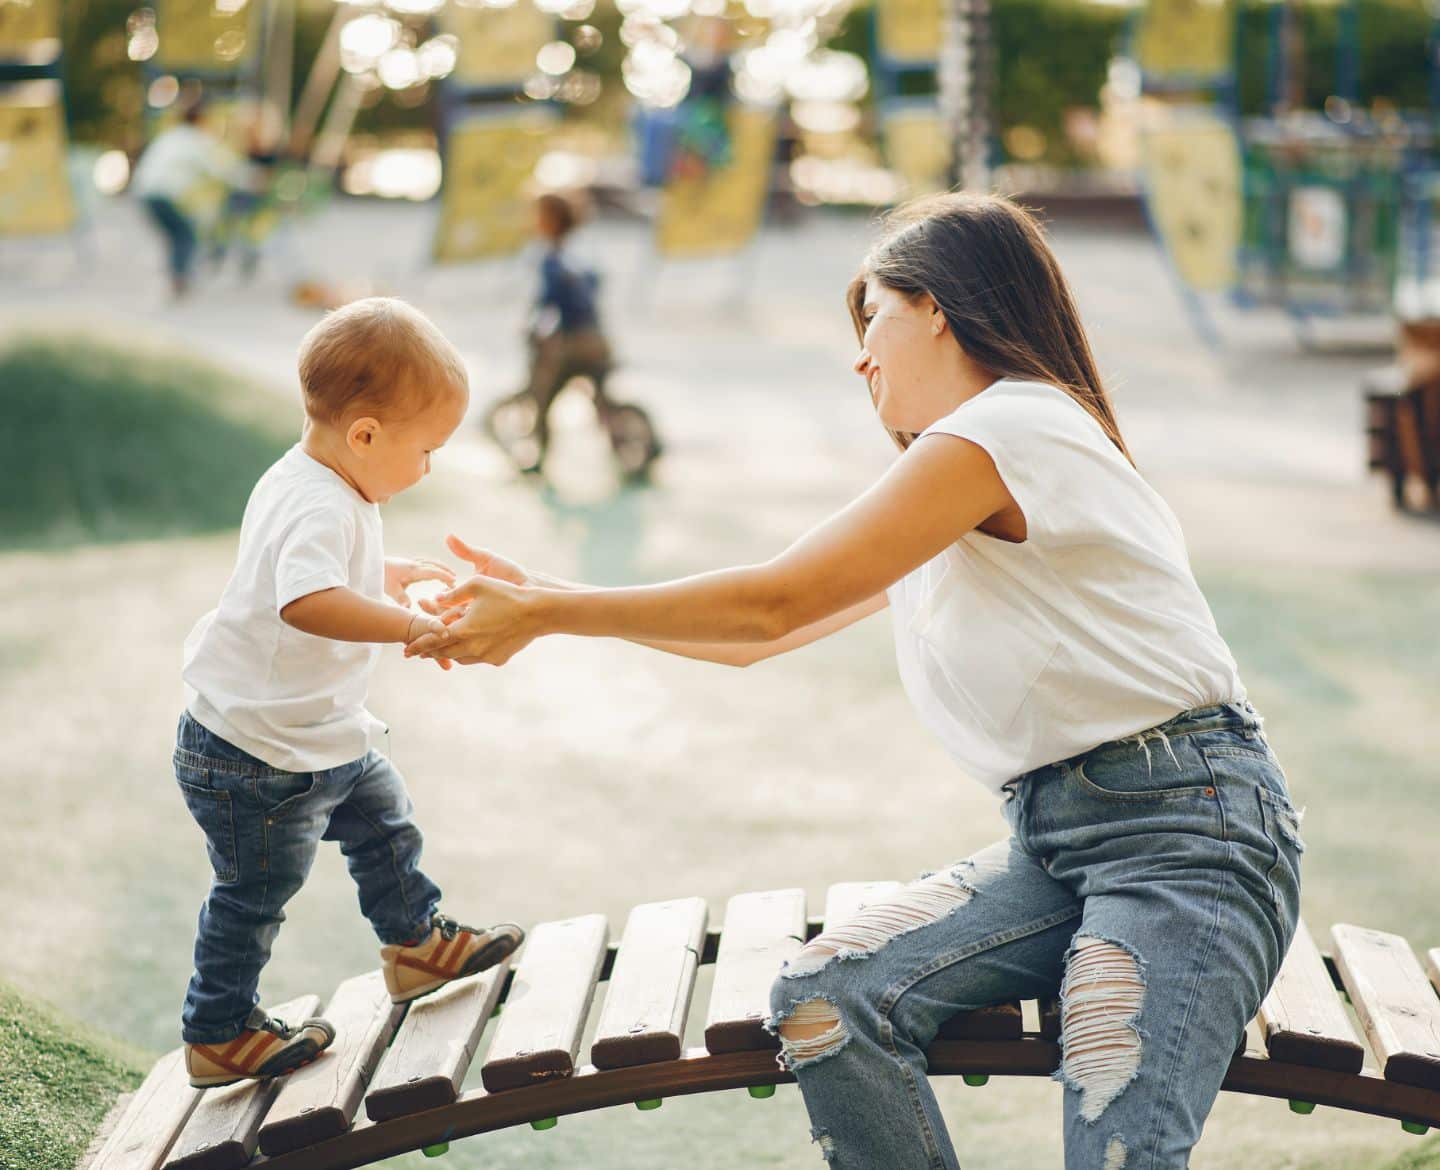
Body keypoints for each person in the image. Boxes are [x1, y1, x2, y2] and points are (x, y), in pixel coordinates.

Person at [407, 192, 1305, 1168]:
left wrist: (548, 610)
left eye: (871, 314)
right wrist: (545, 605)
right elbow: (756, 638)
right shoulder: (965, 471)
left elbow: (771, 604)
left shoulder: (1011, 427)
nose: (859, 354)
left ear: (938, 307)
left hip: (1187, 835)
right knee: (827, 999)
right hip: (1058, 844)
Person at [175, 298, 524, 1088]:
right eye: (427, 449)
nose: (429, 467)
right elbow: (305, 600)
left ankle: (416, 948)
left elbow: (317, 570)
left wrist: (385, 571)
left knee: (383, 822)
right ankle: (217, 1030)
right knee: (253, 894)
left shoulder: (317, 479)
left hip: (315, 736)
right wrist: (404, 623)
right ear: (364, 434)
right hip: (253, 754)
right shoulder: (317, 499)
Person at [519, 192, 612, 472]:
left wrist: (535, 327)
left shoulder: (552, 260)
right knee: (601, 399)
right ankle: (620, 439)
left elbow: (549, 303)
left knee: (542, 396)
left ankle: (538, 459)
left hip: (571, 344)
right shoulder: (582, 255)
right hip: (597, 338)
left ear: (549, 222)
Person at [131, 101, 239, 298]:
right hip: (162, 194)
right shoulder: (195, 140)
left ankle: (176, 276)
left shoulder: (169, 136)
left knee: (177, 234)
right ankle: (179, 280)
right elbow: (219, 170)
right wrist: (249, 180)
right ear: (201, 119)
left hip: (143, 192)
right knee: (185, 235)